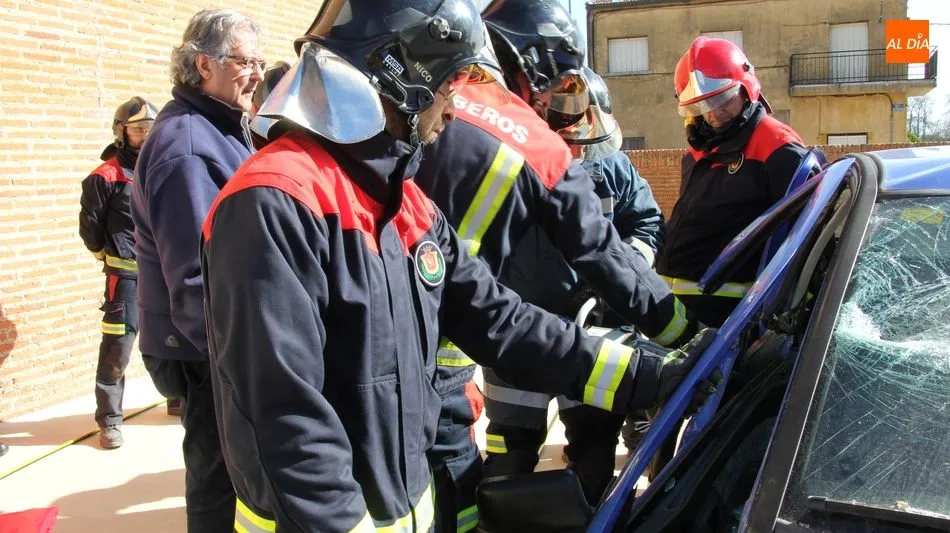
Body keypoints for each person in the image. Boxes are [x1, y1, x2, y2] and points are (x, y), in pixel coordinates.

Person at [201, 1, 714, 531]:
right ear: (400, 78)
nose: (453, 111)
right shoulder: (273, 203)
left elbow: (503, 322)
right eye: (449, 87)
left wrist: (654, 376)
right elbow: (287, 419)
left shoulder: (406, 205)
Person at [411, 0, 698, 522]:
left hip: (383, 341)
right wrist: (687, 336)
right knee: (453, 500)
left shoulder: (432, 98)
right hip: (440, 363)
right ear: (533, 66)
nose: (558, 108)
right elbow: (604, 254)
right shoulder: (537, 145)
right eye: (561, 86)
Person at [130, 8, 263, 532]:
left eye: (259, 62)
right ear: (204, 65)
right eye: (244, 62)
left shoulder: (221, 126)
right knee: (218, 473)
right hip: (204, 345)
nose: (256, 73)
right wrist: (240, 363)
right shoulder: (188, 147)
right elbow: (195, 280)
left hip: (214, 337)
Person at [656, 36, 809, 328]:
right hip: (681, 315)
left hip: (731, 324)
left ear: (746, 88)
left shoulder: (777, 148)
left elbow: (806, 237)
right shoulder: (701, 150)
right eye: (702, 106)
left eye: (722, 100)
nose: (713, 114)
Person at [79, 96, 158, 449]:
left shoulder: (159, 170)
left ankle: (178, 397)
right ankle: (109, 419)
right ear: (121, 132)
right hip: (124, 279)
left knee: (173, 338)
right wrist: (107, 256)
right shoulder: (104, 176)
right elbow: (90, 229)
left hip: (162, 277)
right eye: (138, 130)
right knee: (118, 348)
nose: (146, 136)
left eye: (150, 129)